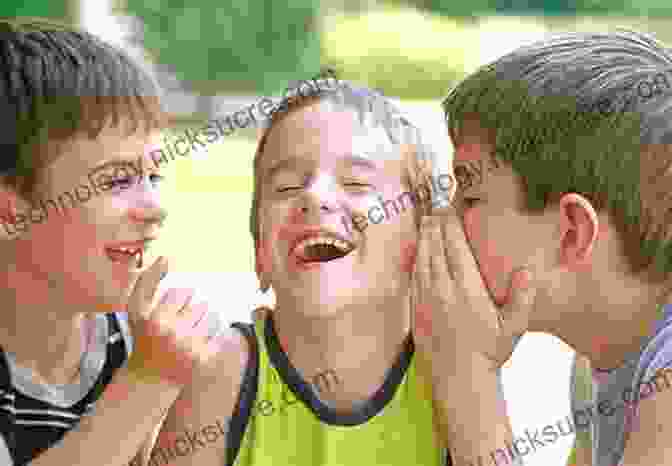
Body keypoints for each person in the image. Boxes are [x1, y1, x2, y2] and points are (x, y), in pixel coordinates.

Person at [150, 80, 512, 466]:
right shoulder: (225, 375)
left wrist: (472, 377)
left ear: (422, 237)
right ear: (259, 251)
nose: (315, 196)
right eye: (286, 187)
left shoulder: (453, 371)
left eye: (356, 183)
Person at [417, 29, 672, 466]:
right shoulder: (595, 364)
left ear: (572, 232)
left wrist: (470, 382)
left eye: (471, 196)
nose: (441, 220)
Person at [0, 17, 228, 466]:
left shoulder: (129, 337)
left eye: (153, 176)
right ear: (10, 211)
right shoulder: (146, 364)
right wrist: (148, 382)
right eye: (118, 180)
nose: (155, 208)